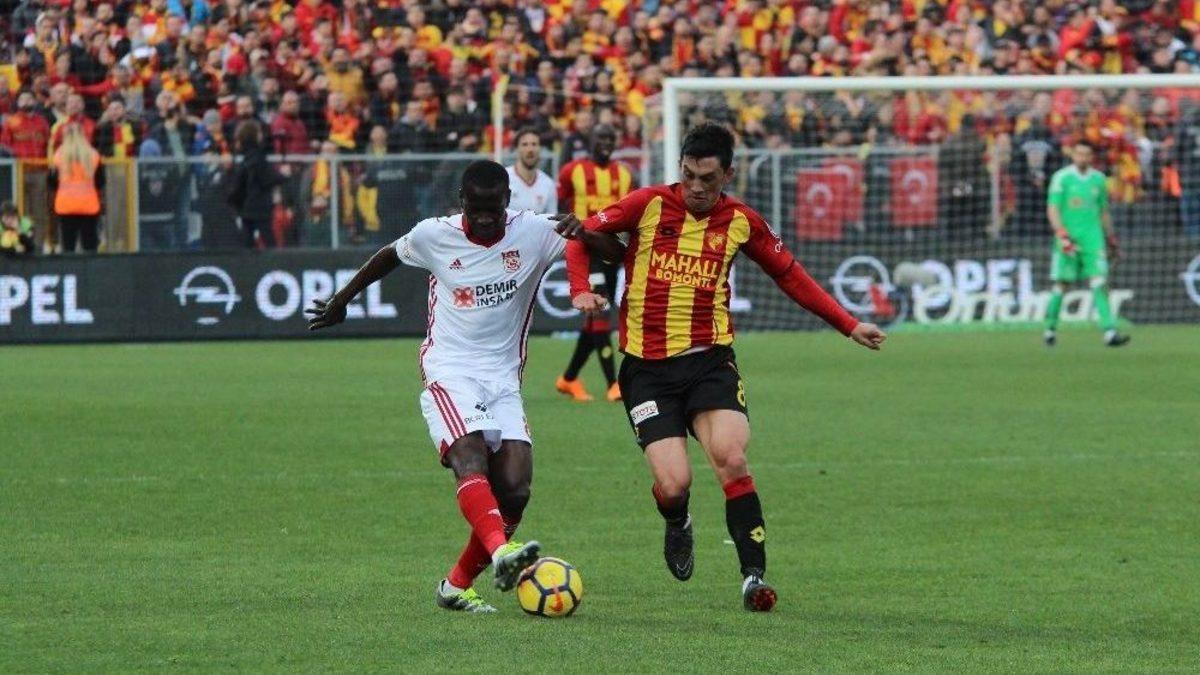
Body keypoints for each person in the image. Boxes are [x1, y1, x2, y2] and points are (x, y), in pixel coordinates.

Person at [564, 123, 886, 611]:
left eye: (708, 179)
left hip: (710, 363)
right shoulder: (646, 204)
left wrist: (848, 324)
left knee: (731, 458)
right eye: (689, 175)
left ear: (728, 175)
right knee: (674, 484)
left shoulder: (741, 221)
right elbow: (579, 236)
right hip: (647, 371)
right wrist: (579, 290)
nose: (696, 187)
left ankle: (753, 577)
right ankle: (677, 520)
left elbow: (790, 275)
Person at [304, 160, 625, 613]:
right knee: (469, 456)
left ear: (507, 201)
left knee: (515, 488)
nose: (486, 218)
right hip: (449, 368)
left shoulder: (534, 231)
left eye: (494, 209)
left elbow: (615, 252)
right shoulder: (434, 235)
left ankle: (455, 586)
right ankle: (502, 553)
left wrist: (586, 232)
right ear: (462, 202)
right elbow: (388, 255)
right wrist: (342, 301)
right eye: (476, 209)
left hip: (504, 378)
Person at [555, 125, 634, 403]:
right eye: (601, 137)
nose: (606, 142)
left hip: (610, 250)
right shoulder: (571, 171)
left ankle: (569, 378)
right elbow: (561, 204)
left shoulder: (624, 174)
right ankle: (613, 383)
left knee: (595, 317)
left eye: (610, 137)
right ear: (590, 140)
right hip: (584, 250)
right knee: (600, 312)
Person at [1043, 141, 1131, 347]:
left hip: (1093, 238)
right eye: (1079, 154)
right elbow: (1053, 209)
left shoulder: (1099, 179)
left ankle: (1109, 332)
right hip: (1068, 237)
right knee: (1061, 284)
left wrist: (1111, 238)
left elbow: (1103, 212)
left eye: (1086, 154)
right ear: (1073, 155)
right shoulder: (1061, 178)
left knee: (1099, 282)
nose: (1082, 158)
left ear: (1092, 157)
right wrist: (1062, 234)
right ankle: (1049, 329)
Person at [227, 121, 290, 249]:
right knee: (269, 241)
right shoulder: (258, 157)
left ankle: (247, 261)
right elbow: (267, 178)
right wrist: (283, 175)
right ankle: (274, 262)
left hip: (245, 207)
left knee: (247, 242)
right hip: (260, 207)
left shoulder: (245, 157)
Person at [50, 123, 105, 253]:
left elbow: (52, 182)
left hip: (65, 206)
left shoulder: (59, 155)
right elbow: (101, 181)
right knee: (90, 245)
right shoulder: (93, 155)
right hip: (89, 205)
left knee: (68, 246)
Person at [505, 128, 557, 214]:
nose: (530, 149)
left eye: (534, 144)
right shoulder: (504, 179)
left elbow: (552, 219)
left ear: (540, 148)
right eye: (525, 144)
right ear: (517, 148)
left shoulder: (548, 184)